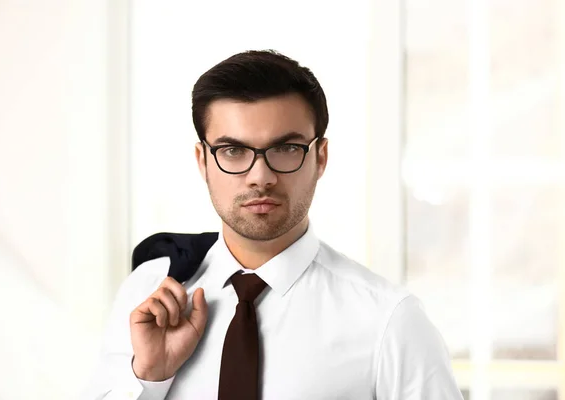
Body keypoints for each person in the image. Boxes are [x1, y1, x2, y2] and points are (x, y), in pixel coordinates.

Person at [82, 49, 464, 400]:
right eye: (233, 151)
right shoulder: (149, 292)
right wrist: (149, 376)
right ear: (203, 161)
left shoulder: (390, 321)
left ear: (321, 157)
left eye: (285, 149)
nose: (260, 176)